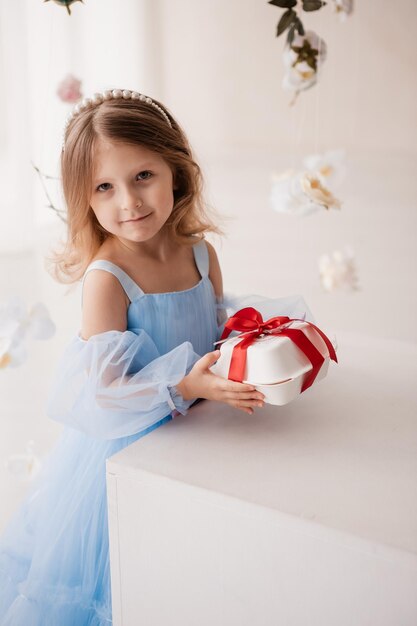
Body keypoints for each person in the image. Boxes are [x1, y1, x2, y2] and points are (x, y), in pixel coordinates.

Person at [0, 88, 268, 625]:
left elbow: (215, 330)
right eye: (105, 187)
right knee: (132, 580)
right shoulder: (108, 280)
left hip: (200, 438)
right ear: (86, 200)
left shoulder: (200, 253)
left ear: (176, 170)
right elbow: (103, 395)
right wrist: (184, 388)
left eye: (142, 175)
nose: (130, 202)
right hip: (125, 453)